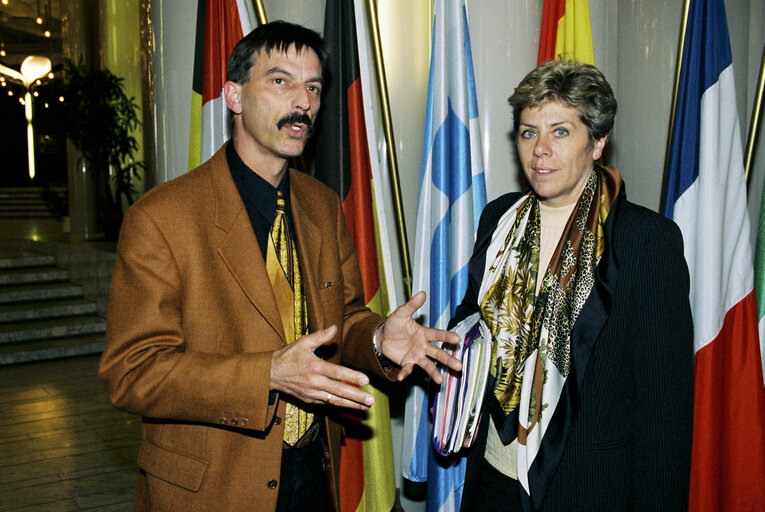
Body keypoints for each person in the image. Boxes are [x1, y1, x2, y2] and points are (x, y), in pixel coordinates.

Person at [98, 21, 460, 512]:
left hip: (315, 472)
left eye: (313, 87)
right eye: (281, 81)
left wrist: (376, 340)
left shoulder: (321, 204)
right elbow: (132, 373)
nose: (303, 102)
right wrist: (267, 374)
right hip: (213, 487)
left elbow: (344, 318)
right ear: (234, 96)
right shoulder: (162, 219)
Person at [453, 59, 694, 511]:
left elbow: (665, 417)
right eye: (528, 132)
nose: (539, 150)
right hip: (492, 481)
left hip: (587, 490)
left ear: (598, 141)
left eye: (560, 132)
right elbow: (473, 328)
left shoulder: (646, 242)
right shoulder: (499, 219)